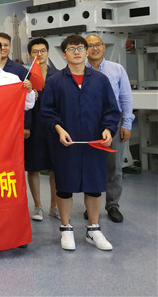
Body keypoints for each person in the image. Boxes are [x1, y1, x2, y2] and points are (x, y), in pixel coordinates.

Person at [41, 35, 120, 251]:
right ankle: (66, 228)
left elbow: (111, 110)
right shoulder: (55, 81)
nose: (77, 52)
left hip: (94, 143)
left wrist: (108, 129)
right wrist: (58, 129)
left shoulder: (100, 80)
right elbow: (47, 111)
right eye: (71, 48)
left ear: (86, 52)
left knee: (94, 187)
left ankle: (93, 229)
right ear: (64, 53)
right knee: (65, 186)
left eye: (80, 48)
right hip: (66, 143)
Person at [85, 34, 134, 223]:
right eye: (90, 46)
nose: (94, 48)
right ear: (85, 49)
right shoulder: (80, 69)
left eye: (98, 45)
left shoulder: (116, 69)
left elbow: (126, 97)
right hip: (89, 123)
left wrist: (127, 124)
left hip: (113, 122)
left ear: (104, 47)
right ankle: (92, 204)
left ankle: (113, 205)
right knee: (91, 165)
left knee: (114, 166)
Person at [24, 38, 58, 221]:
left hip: (54, 127)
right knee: (33, 167)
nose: (39, 54)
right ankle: (38, 206)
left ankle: (55, 206)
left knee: (56, 168)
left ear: (48, 52)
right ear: (30, 55)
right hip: (34, 127)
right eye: (35, 51)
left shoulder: (58, 75)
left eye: (43, 50)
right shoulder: (25, 78)